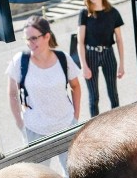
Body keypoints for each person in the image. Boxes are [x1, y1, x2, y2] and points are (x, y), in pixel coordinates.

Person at [7, 16, 81, 154]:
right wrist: (20, 124)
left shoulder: (63, 58)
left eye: (34, 38)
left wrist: (75, 117)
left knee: (72, 174)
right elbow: (12, 94)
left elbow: (75, 86)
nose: (30, 43)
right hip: (35, 130)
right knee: (38, 175)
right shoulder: (20, 61)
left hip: (66, 125)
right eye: (27, 39)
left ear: (47, 36)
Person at [77, 0, 125, 118]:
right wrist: (83, 65)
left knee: (113, 93)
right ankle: (94, 127)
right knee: (94, 96)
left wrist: (122, 64)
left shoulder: (113, 13)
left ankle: (117, 124)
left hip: (108, 54)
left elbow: (120, 40)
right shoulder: (84, 13)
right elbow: (80, 41)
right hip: (90, 55)